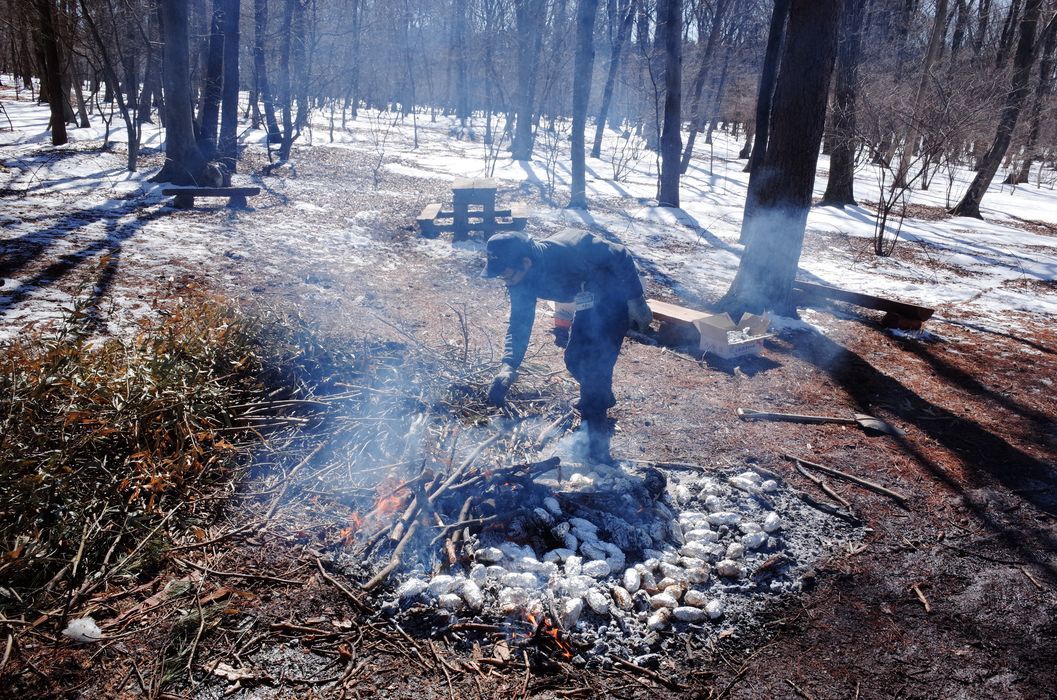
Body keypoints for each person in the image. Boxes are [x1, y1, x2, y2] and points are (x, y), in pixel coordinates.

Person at [481, 229, 653, 462]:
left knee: (594, 369)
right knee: (574, 360)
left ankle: (597, 448)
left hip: (614, 295)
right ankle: (601, 394)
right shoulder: (521, 279)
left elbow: (620, 254)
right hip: (588, 300)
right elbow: (519, 322)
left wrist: (636, 299)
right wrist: (509, 365)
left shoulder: (574, 247)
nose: (506, 281)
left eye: (507, 275)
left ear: (525, 262)